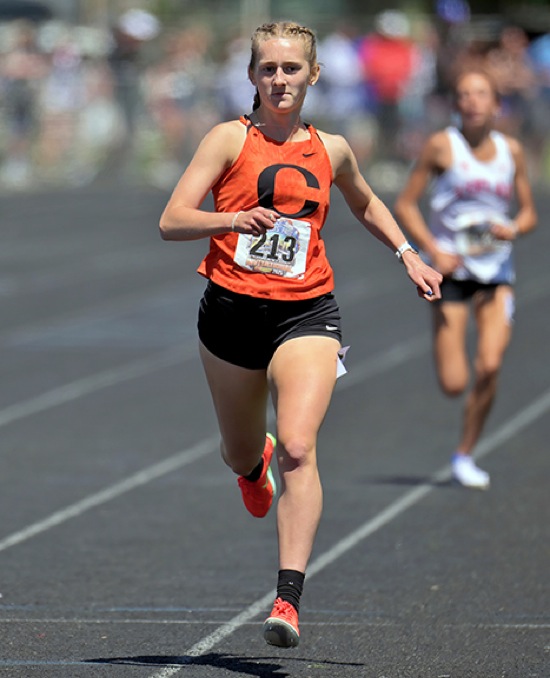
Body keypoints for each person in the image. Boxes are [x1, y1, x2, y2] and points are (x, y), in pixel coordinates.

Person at [159, 20, 442, 648]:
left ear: (313, 75)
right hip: (230, 315)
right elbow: (171, 219)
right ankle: (249, 465)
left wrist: (408, 254)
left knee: (298, 446)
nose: (280, 80)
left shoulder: (332, 149)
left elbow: (366, 201)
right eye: (268, 69)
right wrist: (233, 219)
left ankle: (287, 600)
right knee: (242, 451)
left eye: (291, 69)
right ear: (252, 76)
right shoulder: (229, 139)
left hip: (306, 313)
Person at [394, 68, 537, 490]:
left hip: (495, 270)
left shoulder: (511, 150)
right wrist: (433, 250)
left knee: (490, 364)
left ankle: (464, 454)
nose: (472, 101)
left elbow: (528, 212)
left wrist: (514, 227)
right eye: (463, 94)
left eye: (480, 94)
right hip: (451, 269)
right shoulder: (443, 146)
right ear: (456, 104)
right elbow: (405, 205)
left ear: (497, 104)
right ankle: (443, 324)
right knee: (454, 383)